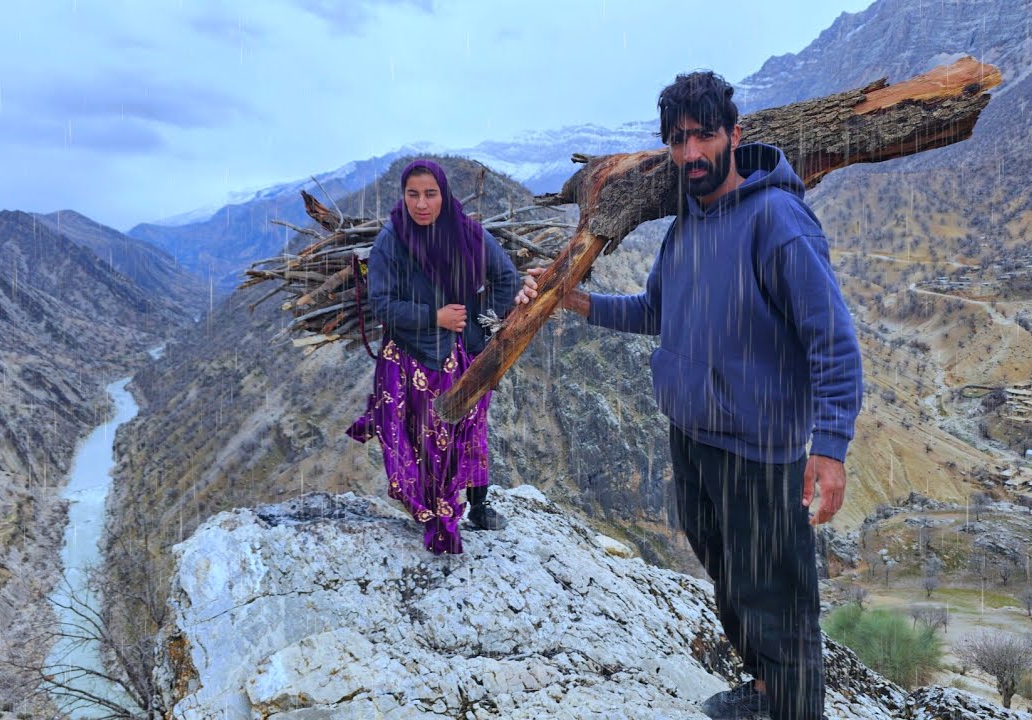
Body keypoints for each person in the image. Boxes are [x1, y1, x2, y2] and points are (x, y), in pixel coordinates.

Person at [516, 72, 862, 719]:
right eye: (679, 139)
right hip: (696, 439)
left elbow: (833, 339)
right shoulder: (686, 229)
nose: (692, 152)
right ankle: (765, 693)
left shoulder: (776, 221)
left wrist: (832, 446)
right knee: (731, 580)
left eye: (704, 135)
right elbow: (654, 311)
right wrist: (573, 298)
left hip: (760, 450)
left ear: (735, 134)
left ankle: (794, 707)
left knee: (778, 597)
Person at [347, 159, 520, 555]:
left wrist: (477, 325)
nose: (421, 204)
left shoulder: (467, 233)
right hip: (410, 354)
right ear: (403, 196)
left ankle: (477, 504)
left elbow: (506, 279)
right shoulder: (392, 240)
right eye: (413, 194)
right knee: (423, 439)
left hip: (462, 354)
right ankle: (431, 507)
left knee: (469, 429)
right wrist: (433, 317)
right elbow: (382, 304)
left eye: (430, 194)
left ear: (443, 194)